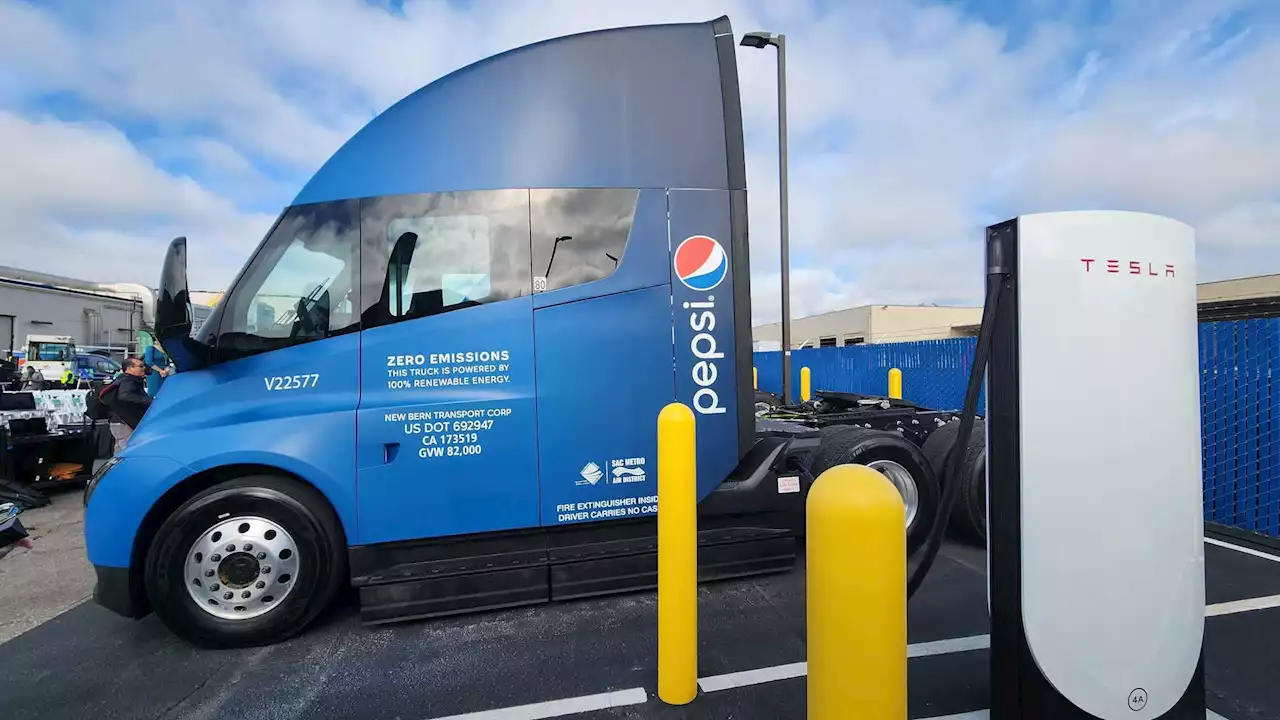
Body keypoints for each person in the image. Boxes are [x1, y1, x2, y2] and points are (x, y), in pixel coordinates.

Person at [106, 357, 153, 453]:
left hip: (120, 421)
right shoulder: (129, 381)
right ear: (130, 368)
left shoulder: (123, 379)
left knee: (120, 450)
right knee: (127, 450)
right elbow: (125, 396)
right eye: (140, 366)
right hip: (124, 422)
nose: (144, 368)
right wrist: (149, 400)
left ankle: (117, 467)